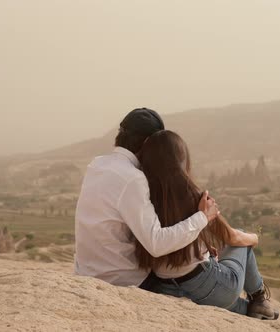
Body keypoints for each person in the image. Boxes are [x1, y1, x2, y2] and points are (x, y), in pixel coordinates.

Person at [134, 130, 279, 320]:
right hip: (204, 284)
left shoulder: (143, 198)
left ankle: (252, 309)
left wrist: (202, 246)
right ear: (181, 159)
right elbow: (232, 238)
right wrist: (254, 238)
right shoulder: (193, 196)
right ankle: (259, 297)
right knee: (241, 238)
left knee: (234, 304)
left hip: (165, 287)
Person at [74, 108, 220, 290]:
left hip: (86, 273)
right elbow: (156, 243)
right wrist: (202, 218)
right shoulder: (132, 178)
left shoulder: (97, 164)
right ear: (148, 143)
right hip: (122, 280)